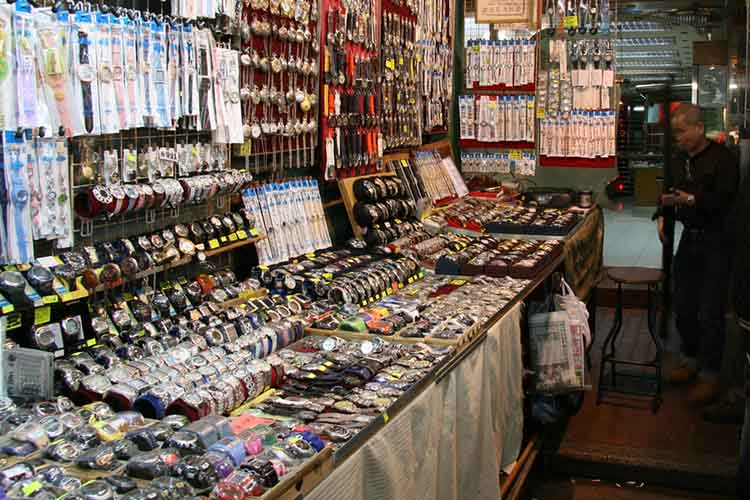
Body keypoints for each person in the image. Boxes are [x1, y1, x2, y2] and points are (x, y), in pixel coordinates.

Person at [656, 103, 739, 406]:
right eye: (674, 132)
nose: (676, 138)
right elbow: (668, 190)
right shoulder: (679, 160)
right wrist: (664, 214)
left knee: (711, 308)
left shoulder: (723, 160)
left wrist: (690, 199)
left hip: (717, 241)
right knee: (684, 302)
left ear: (699, 128)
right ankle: (689, 358)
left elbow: (725, 199)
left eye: (681, 131)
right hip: (689, 240)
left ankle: (710, 372)